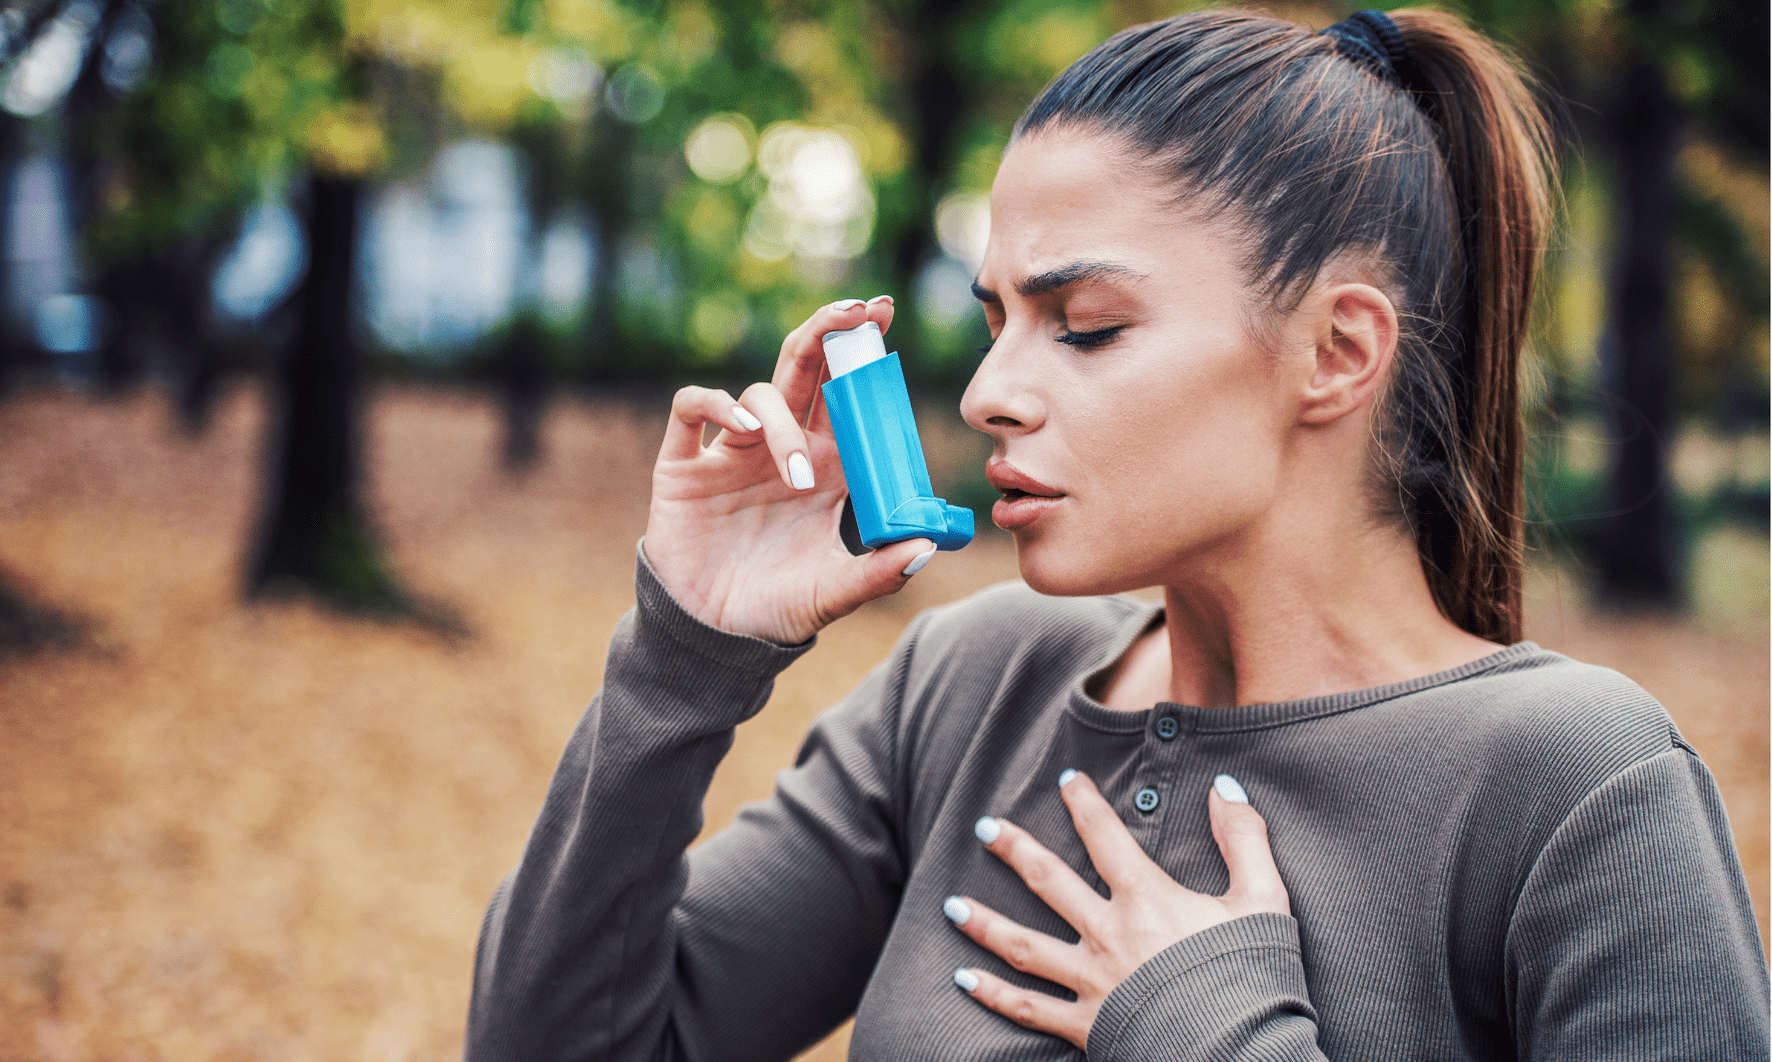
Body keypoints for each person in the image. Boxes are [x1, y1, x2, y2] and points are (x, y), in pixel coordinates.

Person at [464, 9, 1769, 1060]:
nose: (987, 393)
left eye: (1082, 323)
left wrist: (1210, 1021)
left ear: (1337, 350)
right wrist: (681, 658)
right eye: (995, 321)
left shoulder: (1572, 781)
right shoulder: (973, 682)